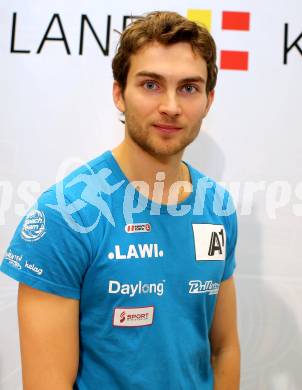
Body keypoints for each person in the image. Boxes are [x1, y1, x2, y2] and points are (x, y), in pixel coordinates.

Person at [0, 11, 240, 390]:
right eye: (151, 85)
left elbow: (223, 349)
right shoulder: (68, 214)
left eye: (189, 88)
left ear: (208, 100)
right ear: (119, 93)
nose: (172, 106)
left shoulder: (218, 206)